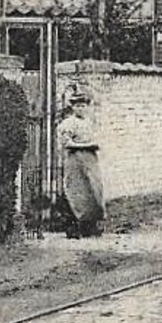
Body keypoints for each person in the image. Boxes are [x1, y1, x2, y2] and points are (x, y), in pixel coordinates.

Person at [56, 90, 105, 238]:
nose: (80, 109)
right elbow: (67, 143)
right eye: (77, 106)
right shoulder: (68, 124)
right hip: (75, 161)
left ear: (87, 107)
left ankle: (90, 227)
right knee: (75, 192)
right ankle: (72, 229)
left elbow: (98, 139)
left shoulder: (89, 122)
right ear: (72, 107)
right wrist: (86, 146)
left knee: (93, 191)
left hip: (90, 161)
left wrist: (93, 145)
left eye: (83, 105)